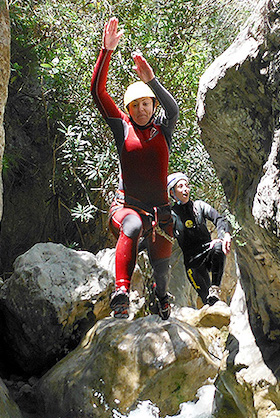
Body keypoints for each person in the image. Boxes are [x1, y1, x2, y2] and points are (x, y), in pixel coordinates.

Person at [91, 17, 179, 319]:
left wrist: (151, 80)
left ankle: (162, 296)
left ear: (152, 106)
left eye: (146, 104)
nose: (141, 109)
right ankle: (121, 292)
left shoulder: (163, 130)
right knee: (131, 226)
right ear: (128, 110)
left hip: (161, 214)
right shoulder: (122, 128)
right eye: (135, 105)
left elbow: (174, 109)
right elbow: (98, 92)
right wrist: (107, 51)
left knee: (162, 271)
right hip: (127, 206)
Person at [167, 172, 232, 306]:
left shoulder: (199, 206)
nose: (185, 189)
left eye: (186, 185)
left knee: (218, 246)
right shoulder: (170, 215)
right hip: (192, 264)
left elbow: (219, 219)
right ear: (172, 193)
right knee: (208, 301)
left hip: (208, 252)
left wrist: (223, 235)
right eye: (180, 186)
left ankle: (215, 287)